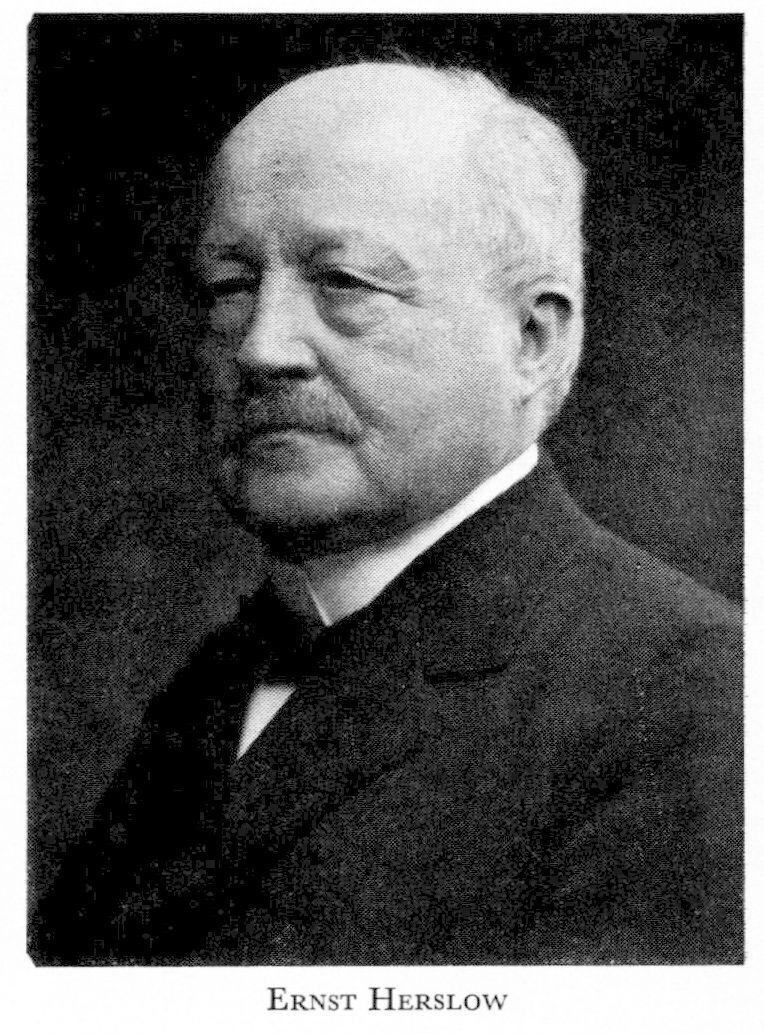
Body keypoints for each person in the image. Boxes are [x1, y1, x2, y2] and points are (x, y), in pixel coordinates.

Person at [31, 61, 743, 966]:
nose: (261, 347)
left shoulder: (691, 701)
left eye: (344, 282)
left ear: (533, 337)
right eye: (229, 286)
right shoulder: (219, 677)